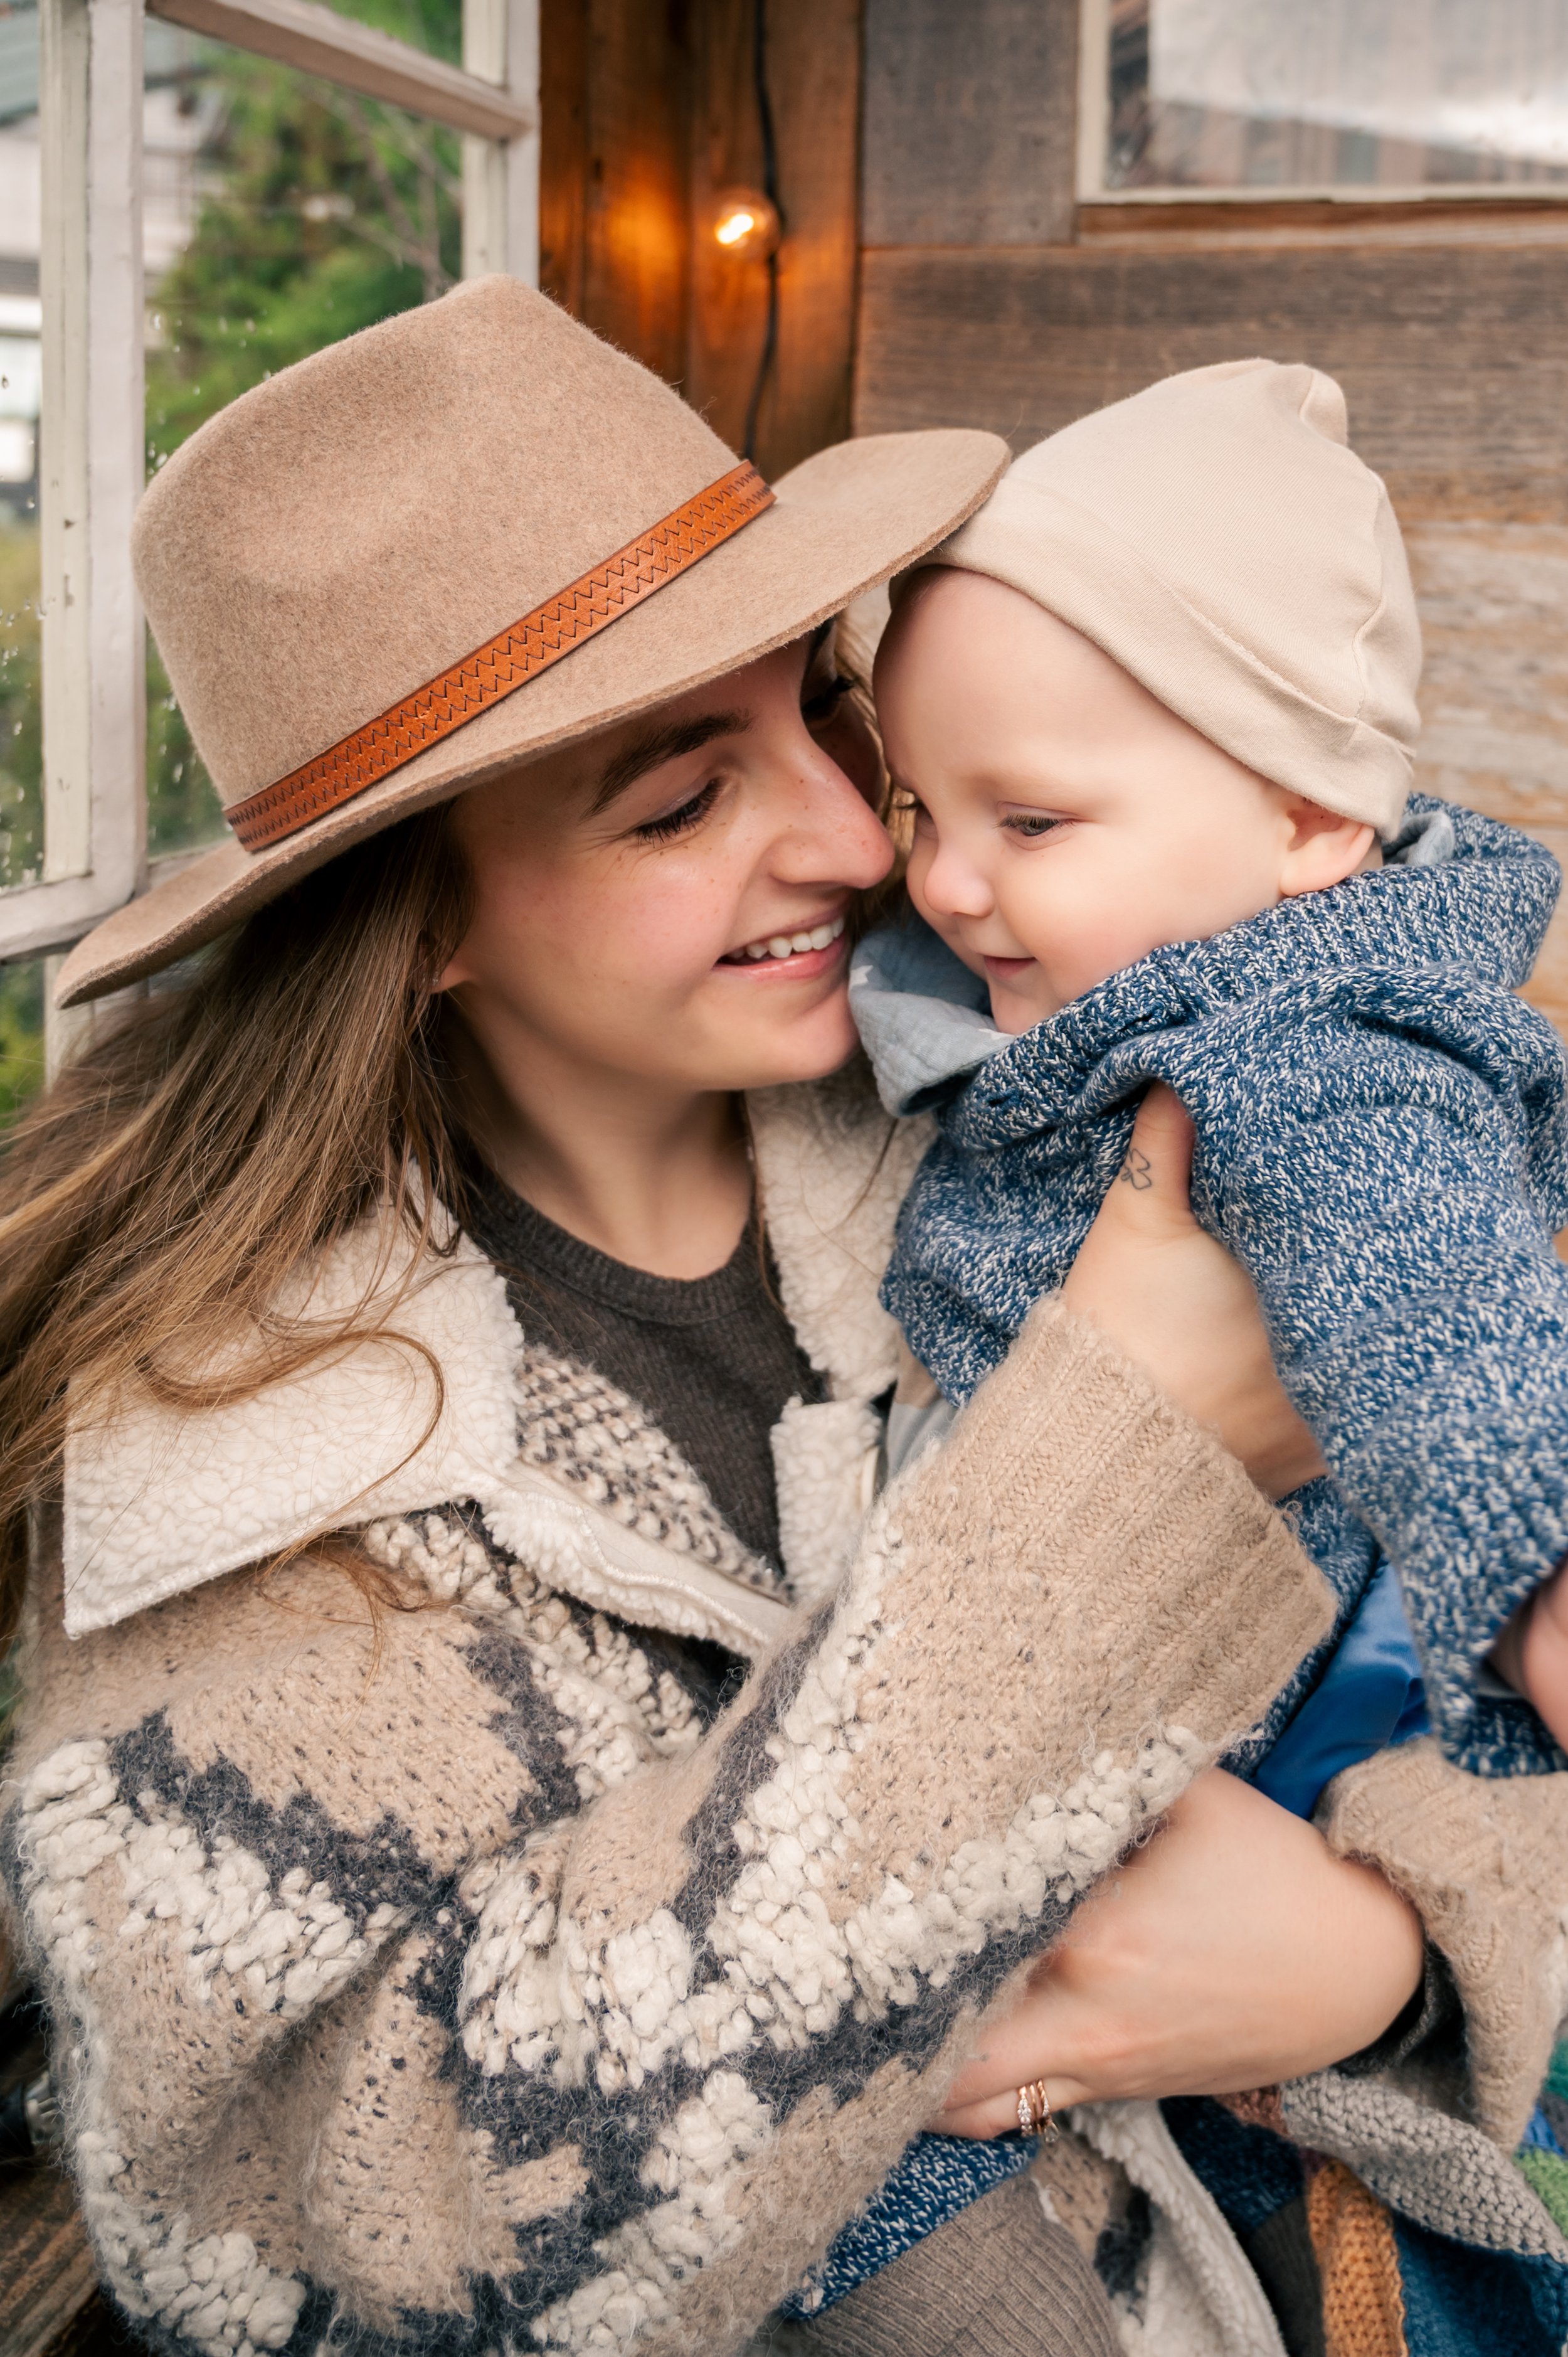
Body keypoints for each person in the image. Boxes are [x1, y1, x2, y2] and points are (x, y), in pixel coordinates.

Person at [0, 283, 1561, 2357]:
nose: (857, 836)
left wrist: (1401, 1948)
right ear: (428, 914)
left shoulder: (1032, 1066)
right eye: (677, 798)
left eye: (830, 719)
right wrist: (1115, 1473)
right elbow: (315, 2231)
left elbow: (1492, 1508)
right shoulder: (240, 1456)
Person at [853, 358, 1568, 1836]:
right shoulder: (1133, 972)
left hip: (1223, 1732)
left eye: (1030, 820)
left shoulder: (1313, 1038)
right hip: (1021, 1656)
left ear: (1305, 818)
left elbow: (1422, 1293)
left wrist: (1537, 1574)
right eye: (921, 807)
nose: (945, 880)